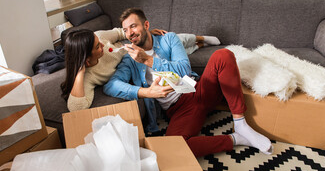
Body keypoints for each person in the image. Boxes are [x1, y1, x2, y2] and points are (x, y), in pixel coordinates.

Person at [103, 8, 273, 157]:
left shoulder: (168, 39)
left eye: (133, 26)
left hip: (198, 90)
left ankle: (240, 123)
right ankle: (235, 139)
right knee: (171, 148)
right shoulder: (130, 59)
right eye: (126, 30)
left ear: (146, 25)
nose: (130, 32)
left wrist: (149, 60)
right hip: (179, 110)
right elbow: (111, 85)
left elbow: (184, 68)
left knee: (223, 55)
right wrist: (145, 92)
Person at [60, 28, 217, 112]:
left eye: (98, 41)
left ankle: (199, 38)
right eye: (97, 46)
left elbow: (120, 31)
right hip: (130, 59)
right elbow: (76, 108)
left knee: (172, 39)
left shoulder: (100, 36)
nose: (102, 44)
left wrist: (145, 34)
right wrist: (80, 72)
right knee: (170, 57)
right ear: (86, 60)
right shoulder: (89, 76)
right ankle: (198, 46)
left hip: (129, 45)